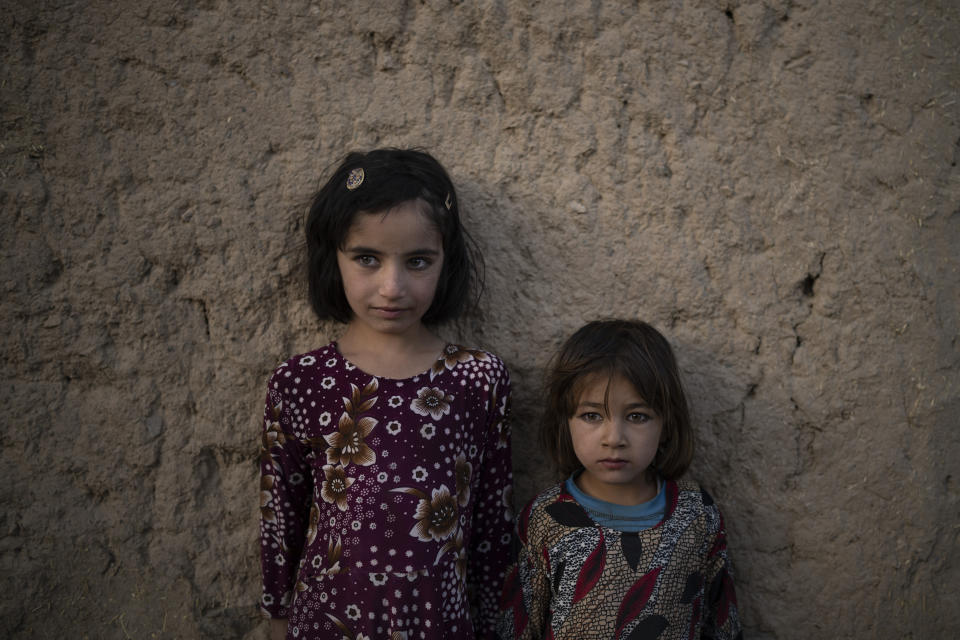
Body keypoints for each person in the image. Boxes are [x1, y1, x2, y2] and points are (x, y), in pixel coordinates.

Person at [259, 148, 513, 640]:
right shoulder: (300, 382)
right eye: (367, 259)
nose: (392, 286)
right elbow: (280, 517)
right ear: (334, 257)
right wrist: (276, 617)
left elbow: (492, 528)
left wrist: (496, 623)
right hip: (327, 623)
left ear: (446, 261)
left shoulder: (478, 380)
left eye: (418, 261)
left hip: (438, 624)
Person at [498, 320, 741, 640]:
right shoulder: (545, 519)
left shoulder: (697, 514)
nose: (614, 438)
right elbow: (516, 627)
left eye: (637, 416)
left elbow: (722, 623)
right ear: (565, 421)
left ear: (666, 423)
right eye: (592, 416)